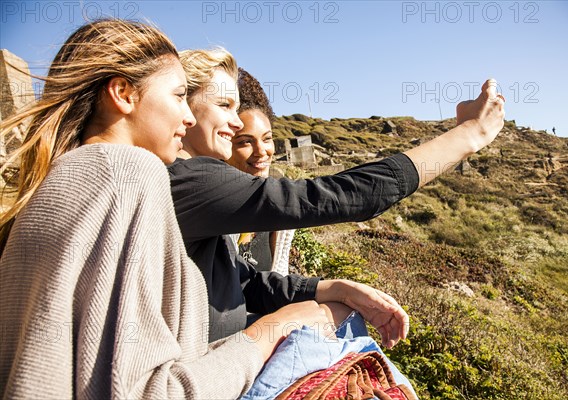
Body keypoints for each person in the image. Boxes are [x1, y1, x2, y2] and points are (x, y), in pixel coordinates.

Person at [0, 19, 351, 399]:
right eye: (179, 95)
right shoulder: (131, 173)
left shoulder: (59, 180)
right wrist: (272, 331)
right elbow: (149, 392)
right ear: (123, 93)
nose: (187, 115)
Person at [170, 49, 505, 345]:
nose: (233, 120)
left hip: (222, 350)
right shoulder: (190, 181)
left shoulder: (189, 180)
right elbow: (337, 196)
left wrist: (332, 287)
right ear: (184, 108)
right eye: (224, 105)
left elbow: (242, 283)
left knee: (336, 312)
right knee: (334, 325)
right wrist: (468, 135)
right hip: (209, 369)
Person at [226, 67, 294, 275]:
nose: (261, 151)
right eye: (245, 141)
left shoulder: (279, 212)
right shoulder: (212, 209)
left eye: (267, 138)